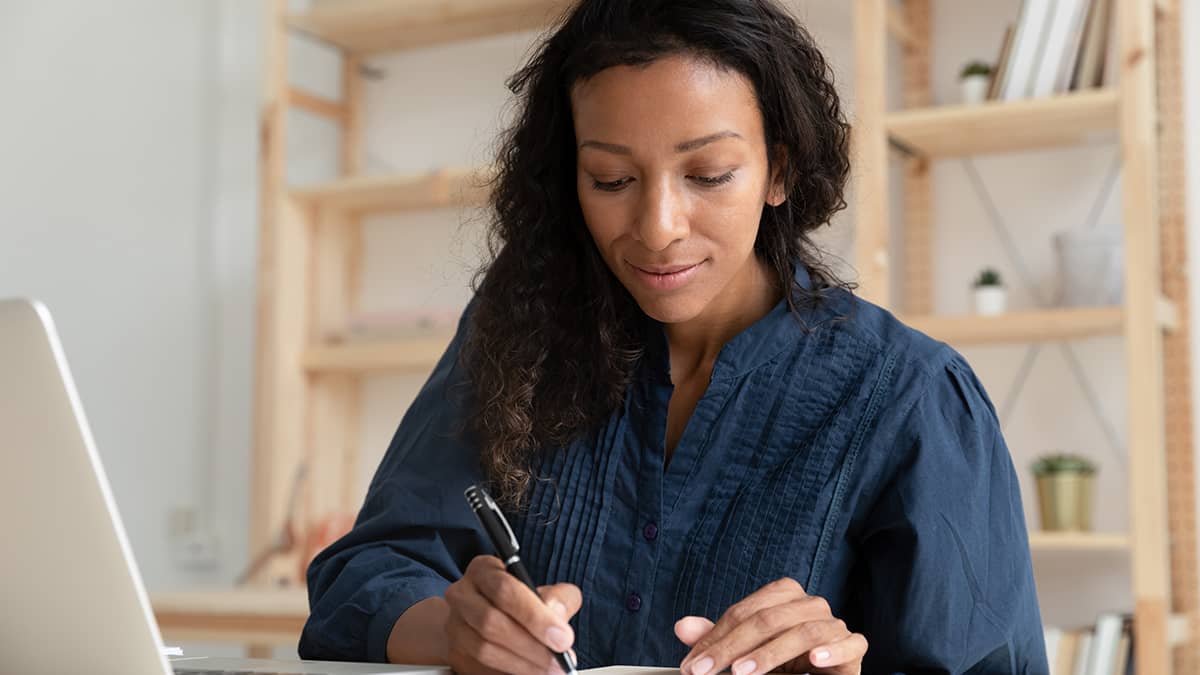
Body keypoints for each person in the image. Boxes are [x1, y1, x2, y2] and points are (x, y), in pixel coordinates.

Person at [298, 1, 1048, 673]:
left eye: (710, 173)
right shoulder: (520, 332)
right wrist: (450, 627)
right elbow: (368, 573)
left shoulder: (911, 398)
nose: (657, 229)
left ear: (777, 170)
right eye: (612, 180)